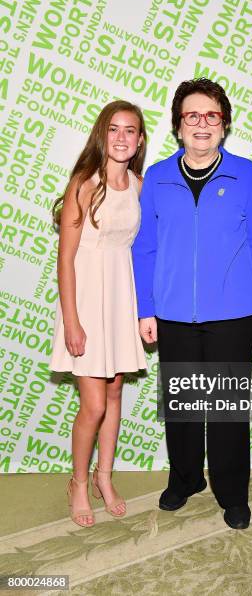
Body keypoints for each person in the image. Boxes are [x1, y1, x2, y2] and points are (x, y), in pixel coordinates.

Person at [132, 78, 252, 529]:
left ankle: (232, 493)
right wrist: (145, 307)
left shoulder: (247, 173)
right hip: (173, 313)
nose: (201, 124)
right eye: (191, 115)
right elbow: (145, 247)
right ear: (178, 126)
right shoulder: (155, 176)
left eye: (211, 115)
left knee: (228, 411)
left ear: (224, 124)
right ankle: (186, 479)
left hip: (234, 314)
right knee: (183, 404)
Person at [50, 100, 147, 527]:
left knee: (113, 395)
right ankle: (77, 481)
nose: (122, 137)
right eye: (114, 129)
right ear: (101, 135)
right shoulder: (83, 185)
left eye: (131, 130)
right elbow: (65, 259)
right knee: (92, 405)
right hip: (87, 302)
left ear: (140, 140)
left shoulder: (140, 185)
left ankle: (103, 477)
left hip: (120, 300)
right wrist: (72, 320)